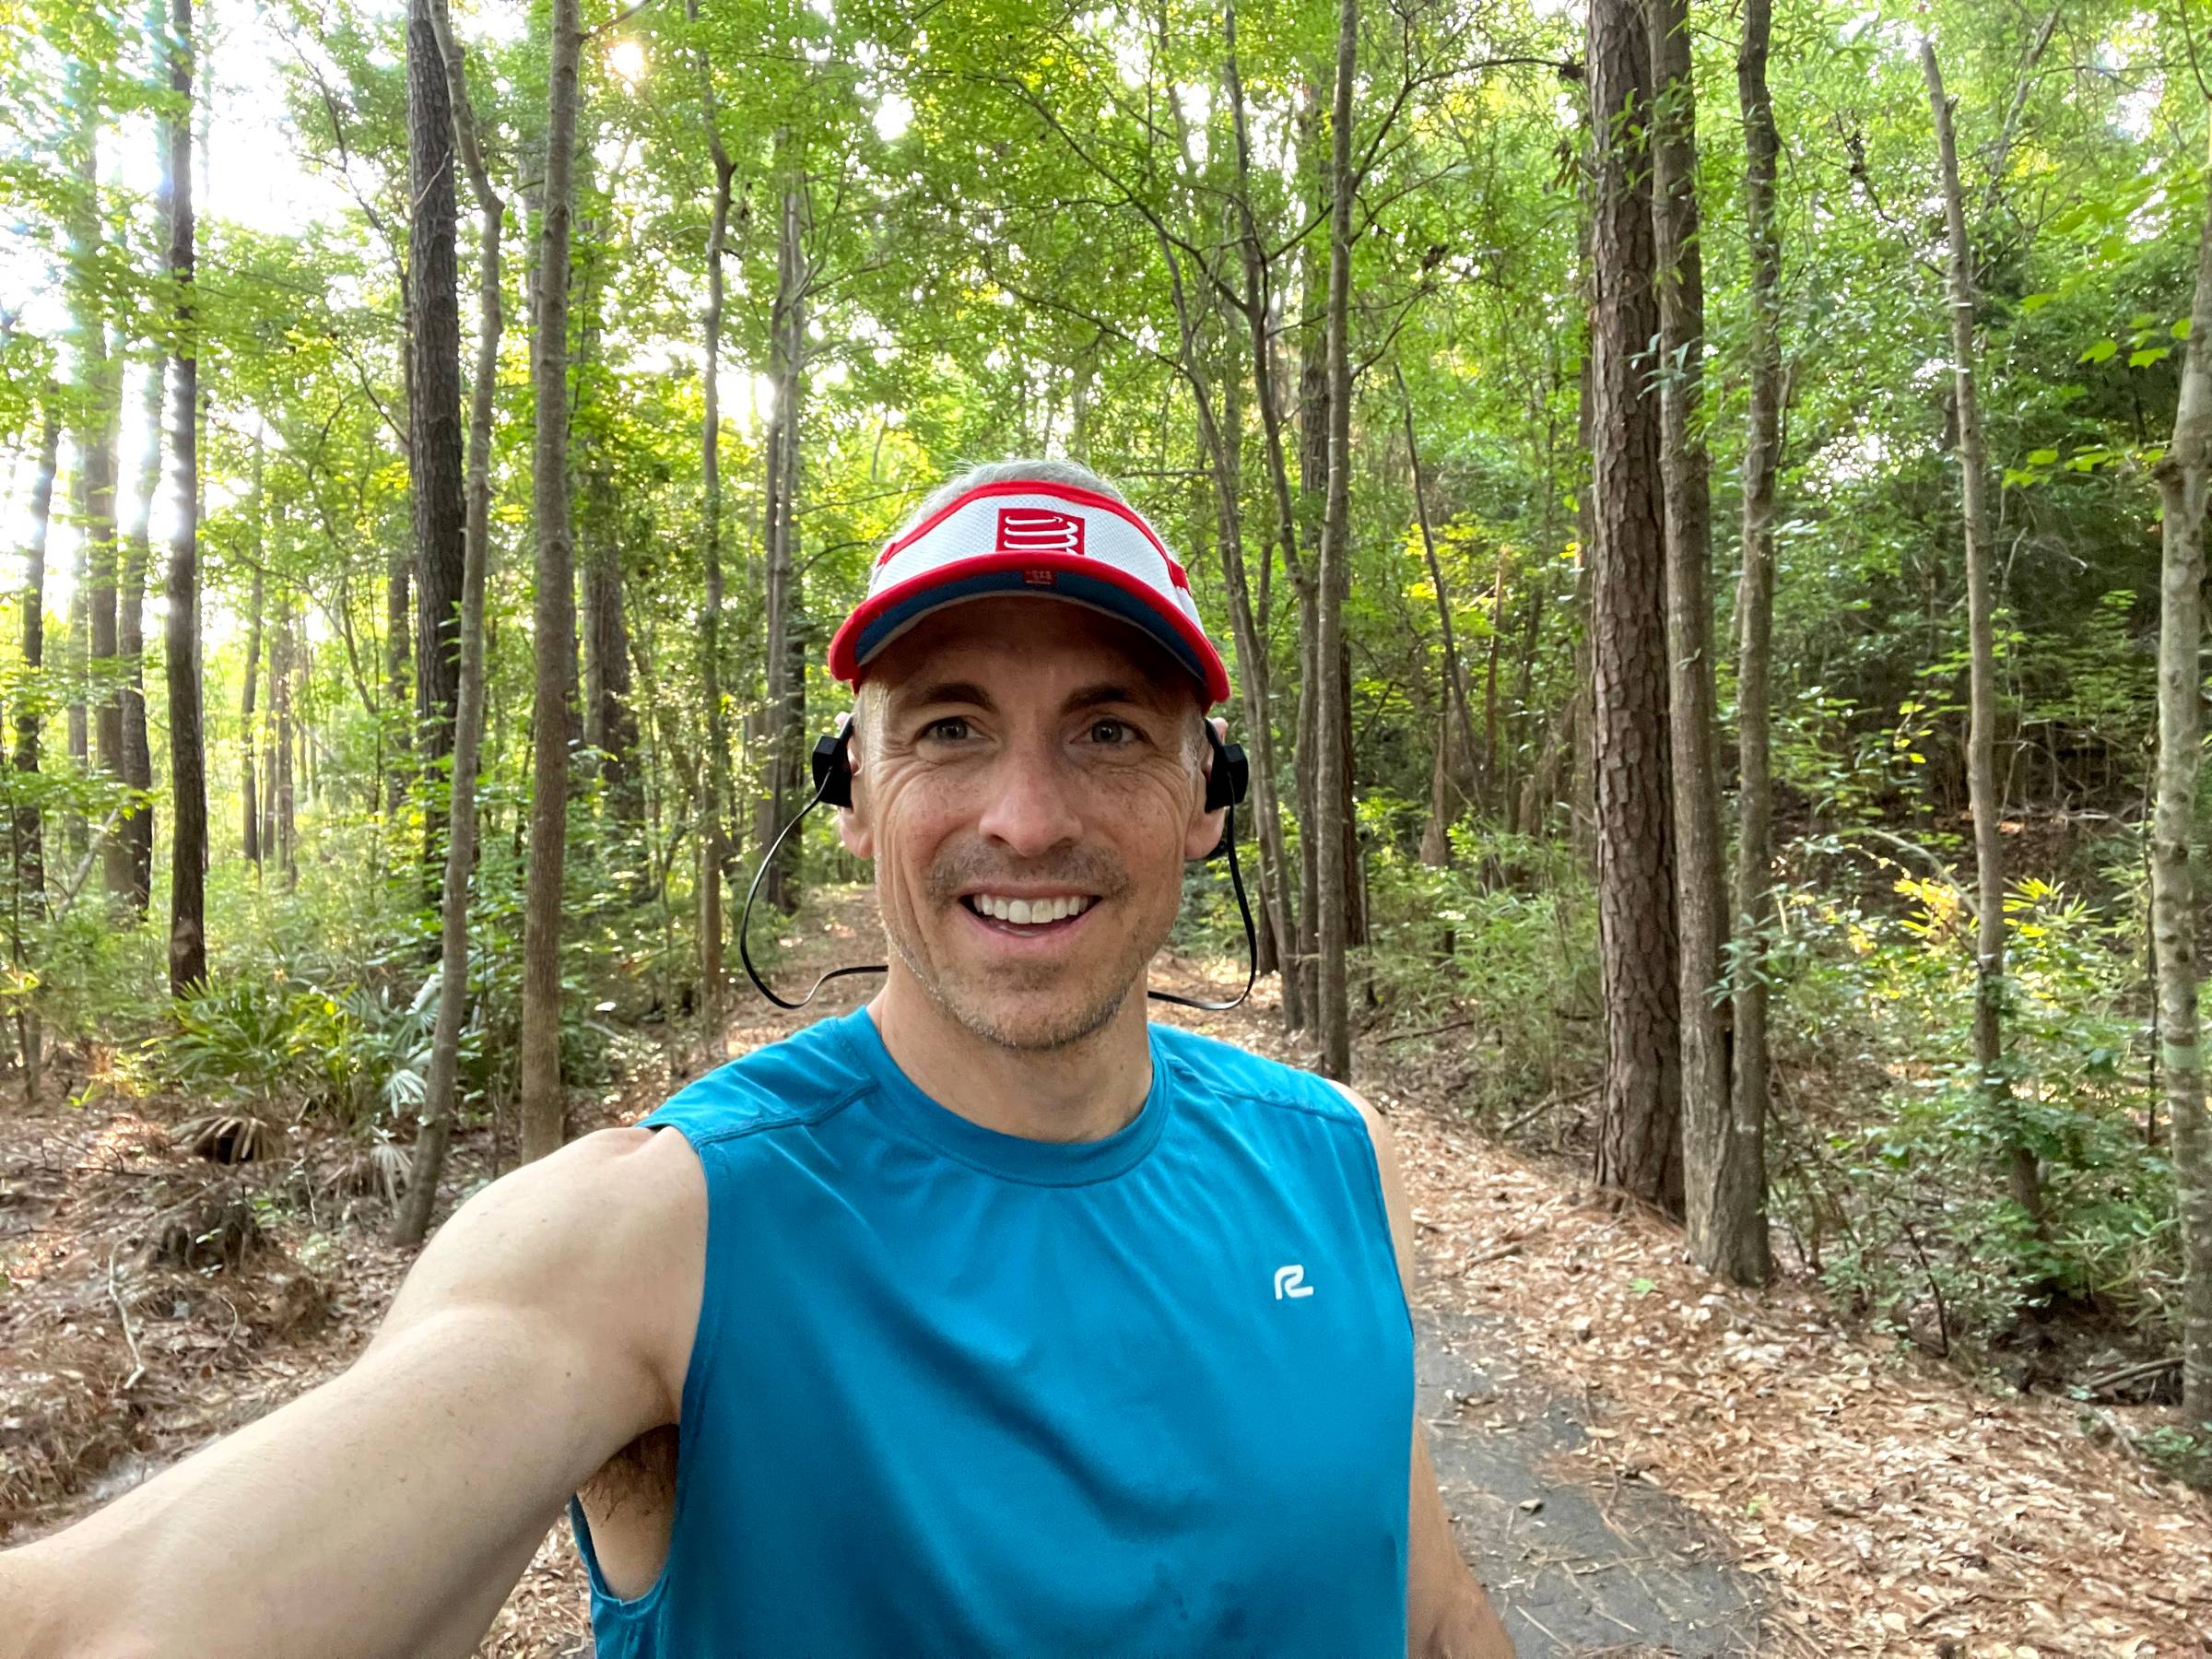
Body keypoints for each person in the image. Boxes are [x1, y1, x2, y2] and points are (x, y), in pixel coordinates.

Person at [0, 459, 1515, 1658]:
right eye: (950, 727)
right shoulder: (661, 1236)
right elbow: (126, 1623)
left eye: (1110, 730)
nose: (1031, 816)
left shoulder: (1328, 1156)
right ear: (853, 794)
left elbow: (1428, 1611)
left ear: (1211, 795)